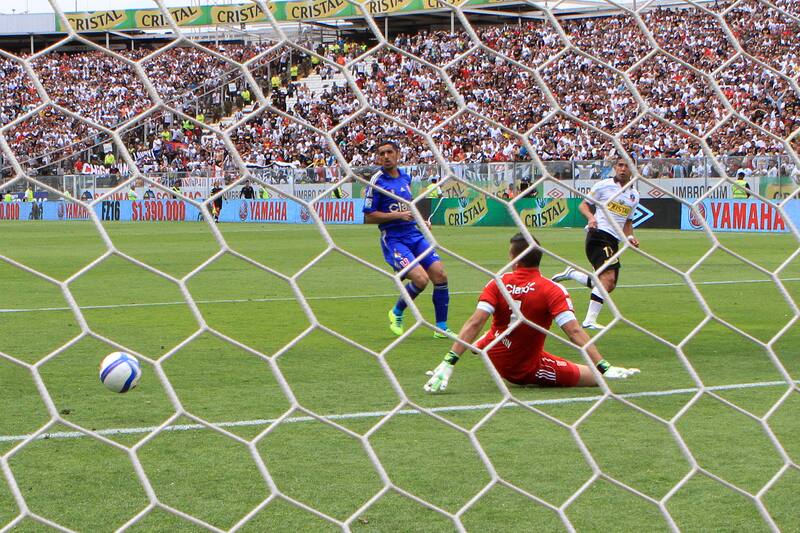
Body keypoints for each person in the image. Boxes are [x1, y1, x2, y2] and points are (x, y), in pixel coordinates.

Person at [424, 233, 640, 392]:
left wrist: (448, 362)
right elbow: (574, 332)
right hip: (521, 369)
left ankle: (484, 342)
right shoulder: (552, 290)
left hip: (496, 347)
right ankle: (490, 341)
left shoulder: (497, 282)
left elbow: (474, 322)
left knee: (497, 325)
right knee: (594, 378)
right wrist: (603, 366)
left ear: (515, 259)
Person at [363, 140, 452, 338]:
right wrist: (398, 216)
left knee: (440, 274)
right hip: (394, 238)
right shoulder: (377, 181)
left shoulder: (406, 178)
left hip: (414, 234)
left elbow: (408, 208)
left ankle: (441, 328)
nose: (385, 156)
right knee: (421, 279)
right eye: (381, 153)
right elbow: (369, 216)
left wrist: (421, 222)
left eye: (389, 152)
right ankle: (396, 312)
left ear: (397, 154)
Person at [552, 158, 640, 330]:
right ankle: (589, 321)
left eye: (627, 166)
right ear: (615, 167)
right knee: (607, 279)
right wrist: (591, 217)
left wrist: (630, 238)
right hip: (598, 235)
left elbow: (627, 223)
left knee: (608, 284)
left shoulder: (634, 195)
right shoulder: (603, 186)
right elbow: (583, 205)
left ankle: (572, 274)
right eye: (620, 165)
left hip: (613, 240)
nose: (623, 169)